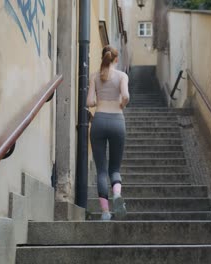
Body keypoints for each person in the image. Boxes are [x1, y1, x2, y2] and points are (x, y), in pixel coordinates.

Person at [87, 45, 129, 221]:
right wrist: (121, 105)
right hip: (117, 121)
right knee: (115, 168)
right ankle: (117, 195)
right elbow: (126, 96)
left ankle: (105, 212)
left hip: (99, 121)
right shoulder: (122, 76)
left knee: (102, 170)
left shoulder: (94, 76)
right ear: (116, 59)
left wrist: (98, 100)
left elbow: (89, 101)